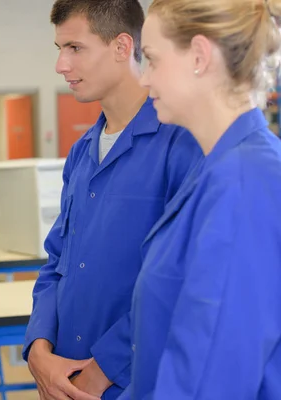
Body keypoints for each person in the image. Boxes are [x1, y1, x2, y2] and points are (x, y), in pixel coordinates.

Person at [23, 1, 203, 399]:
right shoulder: (81, 153)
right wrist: (39, 349)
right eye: (59, 49)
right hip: (64, 376)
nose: (60, 66)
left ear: (122, 47)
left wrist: (104, 369)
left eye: (75, 48)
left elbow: (183, 277)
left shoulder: (181, 144)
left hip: (133, 381)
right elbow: (57, 262)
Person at [120, 0, 281, 398]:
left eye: (152, 59)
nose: (143, 79)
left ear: (199, 56)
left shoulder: (244, 184)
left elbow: (211, 376)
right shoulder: (217, 168)